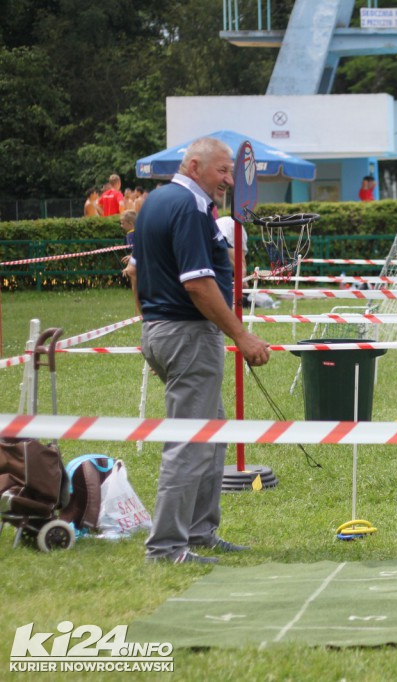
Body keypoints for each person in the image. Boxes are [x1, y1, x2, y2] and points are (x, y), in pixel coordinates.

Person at [134, 137, 271, 564]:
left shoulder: (155, 203)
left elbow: (136, 273)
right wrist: (242, 336)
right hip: (187, 334)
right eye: (222, 171)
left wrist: (150, 332)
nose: (230, 180)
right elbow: (198, 284)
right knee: (190, 444)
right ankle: (166, 547)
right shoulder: (190, 207)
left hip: (163, 331)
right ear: (194, 166)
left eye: (231, 171)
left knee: (212, 435)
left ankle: (198, 532)